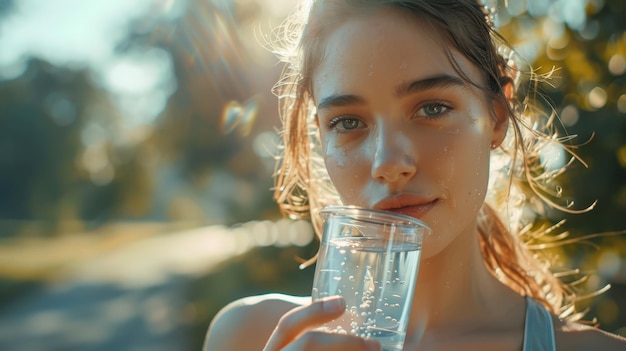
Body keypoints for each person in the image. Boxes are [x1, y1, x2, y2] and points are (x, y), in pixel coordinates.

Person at [205, 0, 626, 349]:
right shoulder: (246, 337)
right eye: (348, 122)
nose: (388, 162)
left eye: (432, 108)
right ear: (321, 135)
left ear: (497, 114)